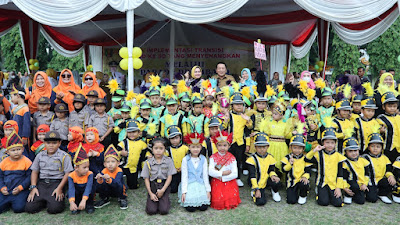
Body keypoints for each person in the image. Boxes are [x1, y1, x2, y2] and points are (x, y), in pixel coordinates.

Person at [25, 131, 74, 214]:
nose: (51, 145)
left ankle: (50, 201)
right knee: (30, 208)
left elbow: (67, 173)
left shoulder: (64, 156)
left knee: (55, 209)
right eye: (48, 143)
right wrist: (33, 187)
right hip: (42, 183)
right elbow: (35, 171)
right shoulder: (40, 155)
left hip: (56, 183)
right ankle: (45, 200)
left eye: (54, 143)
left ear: (59, 143)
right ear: (44, 143)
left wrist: (60, 188)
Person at [305, 120, 346, 207]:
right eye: (327, 142)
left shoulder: (339, 156)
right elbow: (307, 159)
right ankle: (319, 192)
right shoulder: (319, 154)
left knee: (338, 203)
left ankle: (332, 194)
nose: (330, 145)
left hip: (333, 184)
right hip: (322, 183)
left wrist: (338, 188)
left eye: (332, 143)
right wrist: (314, 150)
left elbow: (340, 174)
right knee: (323, 202)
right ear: (323, 143)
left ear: (335, 143)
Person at [142, 137, 176, 215]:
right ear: (152, 149)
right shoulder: (148, 162)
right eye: (156, 148)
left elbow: (169, 176)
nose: (158, 151)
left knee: (164, 211)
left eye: (161, 148)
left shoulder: (169, 161)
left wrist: (163, 190)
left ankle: (165, 200)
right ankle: (154, 199)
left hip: (164, 185)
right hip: (153, 185)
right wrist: (150, 193)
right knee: (151, 211)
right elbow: (146, 178)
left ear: (165, 149)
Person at [0, 132, 32, 214]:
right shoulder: (3, 162)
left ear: (23, 149)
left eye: (18, 149)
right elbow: (0, 177)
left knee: (18, 208)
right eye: (13, 150)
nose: (16, 152)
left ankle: (13, 202)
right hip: (6, 190)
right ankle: (7, 203)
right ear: (7, 152)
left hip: (20, 190)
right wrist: (2, 187)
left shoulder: (26, 161)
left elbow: (29, 177)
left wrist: (20, 188)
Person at [178, 132, 211, 212]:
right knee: (190, 208)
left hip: (200, 183)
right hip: (190, 184)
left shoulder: (203, 159)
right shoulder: (185, 159)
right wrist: (184, 192)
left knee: (203, 207)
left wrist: (208, 190)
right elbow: (184, 176)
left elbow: (205, 175)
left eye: (197, 147)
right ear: (189, 147)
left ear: (201, 147)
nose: (195, 149)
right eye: (193, 147)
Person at [208, 130, 241, 210]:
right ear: (216, 146)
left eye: (225, 145)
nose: (222, 148)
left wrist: (223, 178)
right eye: (219, 145)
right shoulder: (212, 157)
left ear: (229, 146)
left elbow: (235, 174)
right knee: (218, 201)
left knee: (230, 200)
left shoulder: (232, 158)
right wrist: (223, 173)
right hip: (217, 182)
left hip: (229, 182)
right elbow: (210, 171)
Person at [225, 92, 252, 187]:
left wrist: (248, 144)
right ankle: (228, 177)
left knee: (238, 160)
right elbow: (224, 127)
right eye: (236, 104)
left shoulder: (244, 116)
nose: (239, 106)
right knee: (228, 160)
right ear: (232, 106)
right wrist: (226, 118)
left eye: (240, 104)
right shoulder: (230, 115)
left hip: (240, 142)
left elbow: (248, 131)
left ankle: (237, 177)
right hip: (230, 142)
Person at [247, 133, 281, 206]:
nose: (262, 149)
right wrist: (256, 189)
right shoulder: (251, 159)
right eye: (259, 147)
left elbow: (271, 170)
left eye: (264, 147)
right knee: (260, 202)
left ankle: (274, 191)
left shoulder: (270, 157)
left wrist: (273, 176)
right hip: (257, 181)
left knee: (276, 181)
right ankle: (254, 191)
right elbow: (252, 175)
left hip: (266, 180)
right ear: (255, 147)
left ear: (268, 146)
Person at [363, 131, 397, 204]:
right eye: (372, 146)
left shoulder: (385, 158)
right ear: (368, 147)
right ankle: (372, 192)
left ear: (382, 148)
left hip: (381, 180)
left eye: (378, 147)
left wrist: (390, 175)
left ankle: (382, 194)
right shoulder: (364, 158)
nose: (375, 149)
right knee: (372, 199)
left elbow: (388, 169)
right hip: (370, 182)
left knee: (390, 181)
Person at [94, 145, 128, 209]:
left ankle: (122, 198)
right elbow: (99, 185)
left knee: (120, 184)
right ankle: (104, 198)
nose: (110, 164)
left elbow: (117, 182)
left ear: (118, 163)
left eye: (113, 161)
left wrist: (109, 179)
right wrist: (99, 179)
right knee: (100, 183)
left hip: (118, 190)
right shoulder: (104, 170)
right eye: (108, 162)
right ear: (104, 164)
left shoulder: (119, 170)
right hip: (109, 190)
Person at [281, 133, 312, 205]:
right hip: (291, 181)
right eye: (295, 148)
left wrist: (305, 177)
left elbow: (308, 171)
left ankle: (303, 195)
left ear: (303, 148)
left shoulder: (305, 158)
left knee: (304, 184)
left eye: (299, 148)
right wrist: (290, 164)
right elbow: (284, 170)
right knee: (291, 201)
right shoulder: (287, 157)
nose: (297, 150)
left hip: (301, 180)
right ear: (290, 148)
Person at [118, 120, 147, 189]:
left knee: (133, 186)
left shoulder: (142, 143)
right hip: (123, 165)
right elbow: (115, 153)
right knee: (118, 181)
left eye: (134, 132)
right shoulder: (123, 142)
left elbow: (144, 156)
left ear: (139, 132)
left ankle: (133, 181)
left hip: (134, 167)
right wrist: (121, 153)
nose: (131, 134)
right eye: (129, 132)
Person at [342, 135, 370, 205]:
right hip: (351, 183)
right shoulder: (344, 163)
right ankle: (348, 194)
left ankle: (357, 193)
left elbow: (367, 174)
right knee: (354, 186)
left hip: (361, 183)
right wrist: (345, 187)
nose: (354, 153)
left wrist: (364, 184)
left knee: (361, 201)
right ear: (345, 152)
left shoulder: (363, 160)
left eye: (355, 150)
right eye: (350, 151)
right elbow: (343, 177)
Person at [68, 147, 95, 214]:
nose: (87, 169)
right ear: (76, 168)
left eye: (88, 167)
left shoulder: (90, 174)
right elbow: (71, 189)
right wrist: (71, 202)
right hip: (77, 193)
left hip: (86, 194)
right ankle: (75, 204)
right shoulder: (71, 176)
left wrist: (84, 200)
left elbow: (88, 188)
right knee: (70, 192)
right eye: (84, 167)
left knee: (92, 189)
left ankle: (89, 204)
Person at [377, 90, 400, 163]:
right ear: (384, 107)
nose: (392, 108)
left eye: (394, 106)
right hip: (387, 148)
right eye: (389, 106)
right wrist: (380, 132)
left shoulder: (399, 117)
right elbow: (376, 132)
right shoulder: (380, 118)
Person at [164, 125, 189, 193]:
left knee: (186, 187)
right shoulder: (168, 150)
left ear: (180, 138)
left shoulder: (185, 148)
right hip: (173, 172)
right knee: (173, 190)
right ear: (169, 139)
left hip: (184, 171)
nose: (174, 140)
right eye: (172, 138)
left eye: (176, 138)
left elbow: (189, 160)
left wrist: (183, 168)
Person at [10, 86, 31, 159]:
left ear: (18, 96)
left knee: (23, 153)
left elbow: (26, 124)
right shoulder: (15, 109)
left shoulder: (25, 109)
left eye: (12, 96)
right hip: (14, 135)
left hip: (21, 136)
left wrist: (25, 137)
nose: (11, 99)